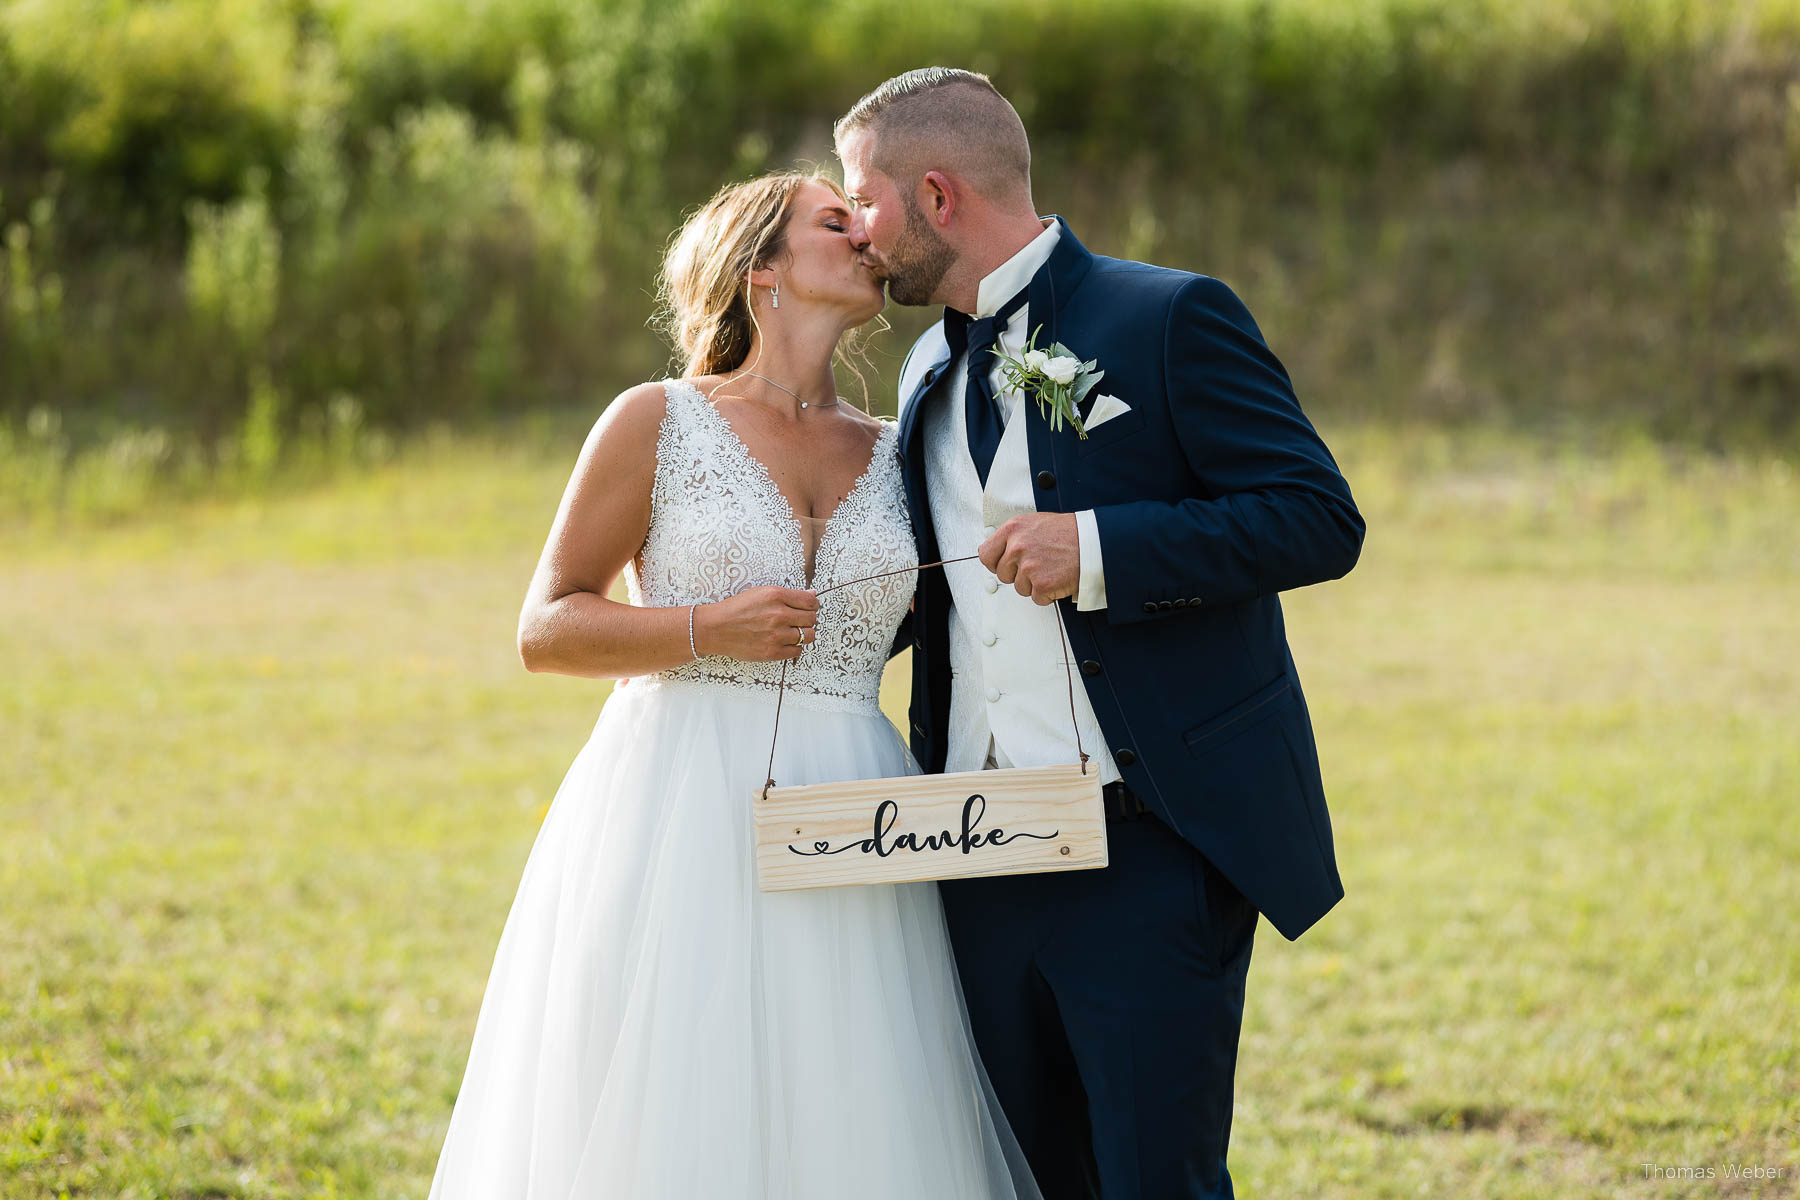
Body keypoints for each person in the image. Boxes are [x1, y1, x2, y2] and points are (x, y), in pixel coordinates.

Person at [426, 171, 1041, 1200]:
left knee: (850, 1097)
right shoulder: (656, 421)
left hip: (853, 805)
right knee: (676, 1100)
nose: (867, 237)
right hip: (678, 802)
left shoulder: (905, 449)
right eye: (835, 223)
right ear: (762, 271)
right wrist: (706, 627)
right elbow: (547, 626)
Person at [836, 68, 1366, 1200]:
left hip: (1148, 847)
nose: (855, 232)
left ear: (936, 195)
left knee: (1154, 1183)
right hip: (971, 852)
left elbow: (1318, 519)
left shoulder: (1169, 315)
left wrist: (1103, 548)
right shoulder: (929, 370)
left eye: (862, 201)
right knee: (1023, 1179)